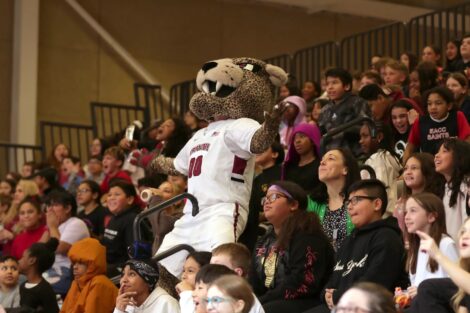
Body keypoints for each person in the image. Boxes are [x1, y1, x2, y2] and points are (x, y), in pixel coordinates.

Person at [305, 179, 407, 313]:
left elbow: (374, 284)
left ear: (376, 204)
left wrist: (336, 296)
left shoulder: (387, 237)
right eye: (348, 202)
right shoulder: (348, 240)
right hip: (338, 306)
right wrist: (326, 295)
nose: (349, 207)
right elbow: (332, 279)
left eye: (356, 200)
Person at [251, 181, 335, 313]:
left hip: (309, 301)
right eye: (266, 198)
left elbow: (300, 283)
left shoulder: (308, 235)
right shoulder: (264, 241)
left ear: (294, 204)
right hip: (273, 300)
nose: (267, 202)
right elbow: (254, 282)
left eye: (274, 197)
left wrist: (260, 302)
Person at [404, 192, 459, 299]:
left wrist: (422, 291)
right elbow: (416, 285)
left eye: (413, 211)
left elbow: (457, 287)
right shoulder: (417, 246)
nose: (406, 217)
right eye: (406, 212)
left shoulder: (445, 244)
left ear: (431, 217)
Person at [409, 217, 470, 313]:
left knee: (427, 287)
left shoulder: (445, 243)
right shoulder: (463, 283)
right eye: (463, 231)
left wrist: (438, 255)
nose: (465, 236)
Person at [308, 148, 360, 251]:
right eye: (322, 160)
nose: (322, 162)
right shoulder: (311, 202)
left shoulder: (359, 201)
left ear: (345, 169)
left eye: (331, 158)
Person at [404, 86, 470, 161]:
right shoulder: (420, 121)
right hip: (429, 166)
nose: (433, 107)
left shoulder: (457, 116)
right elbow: (409, 149)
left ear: (449, 106)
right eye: (429, 104)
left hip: (454, 164)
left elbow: (467, 142)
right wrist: (405, 168)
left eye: (438, 103)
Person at [43, 190, 90, 295]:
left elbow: (59, 248)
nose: (49, 210)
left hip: (68, 272)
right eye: (48, 206)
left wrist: (52, 227)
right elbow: (37, 250)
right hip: (50, 269)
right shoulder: (55, 226)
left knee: (37, 288)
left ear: (68, 208)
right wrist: (49, 228)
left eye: (54, 205)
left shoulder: (76, 223)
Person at [240, 141, 284, 252]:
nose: (258, 151)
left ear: (275, 154)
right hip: (259, 231)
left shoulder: (284, 172)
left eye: (264, 147)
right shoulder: (256, 180)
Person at [318, 68, 371, 157]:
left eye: (334, 82)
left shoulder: (357, 102)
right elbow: (322, 134)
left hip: (355, 155)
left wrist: (343, 130)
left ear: (347, 86)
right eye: (327, 84)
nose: (330, 87)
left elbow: (368, 128)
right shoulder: (325, 110)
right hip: (331, 156)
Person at [101, 180, 148, 276]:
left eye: (117, 194)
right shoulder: (114, 218)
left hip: (122, 270)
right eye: (109, 195)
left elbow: (135, 256)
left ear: (130, 199)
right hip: (108, 264)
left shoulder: (132, 219)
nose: (111, 198)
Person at [60, 238, 118, 313]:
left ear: (92, 264)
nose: (74, 267)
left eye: (80, 263)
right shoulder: (76, 283)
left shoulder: (99, 283)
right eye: (74, 263)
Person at [394, 153, 445, 234]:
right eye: (405, 169)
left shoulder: (439, 200)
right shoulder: (401, 202)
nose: (408, 172)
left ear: (427, 172)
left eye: (414, 168)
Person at [359, 122, 401, 214]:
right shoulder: (386, 156)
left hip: (383, 216)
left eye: (365, 136)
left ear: (379, 137)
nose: (361, 141)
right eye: (360, 137)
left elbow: (380, 191)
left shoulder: (379, 158)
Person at [211, 243, 265, 313]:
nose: (211, 271)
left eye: (217, 267)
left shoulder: (245, 299)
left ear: (237, 273)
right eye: (210, 266)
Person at [434, 138, 470, 240]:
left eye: (444, 151)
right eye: (438, 151)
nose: (436, 155)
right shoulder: (445, 187)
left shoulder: (466, 186)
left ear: (459, 156)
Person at [114, 259, 180, 313]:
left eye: (132, 274)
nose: (124, 280)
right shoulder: (126, 305)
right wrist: (118, 311)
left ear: (148, 280)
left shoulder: (166, 303)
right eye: (122, 275)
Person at [18, 239, 59, 313]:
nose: (19, 261)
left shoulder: (45, 290)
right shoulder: (22, 286)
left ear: (32, 260)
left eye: (23, 257)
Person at [282, 123, 321, 193]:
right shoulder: (289, 167)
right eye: (294, 138)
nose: (297, 141)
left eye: (302, 136)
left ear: (312, 141)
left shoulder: (321, 166)